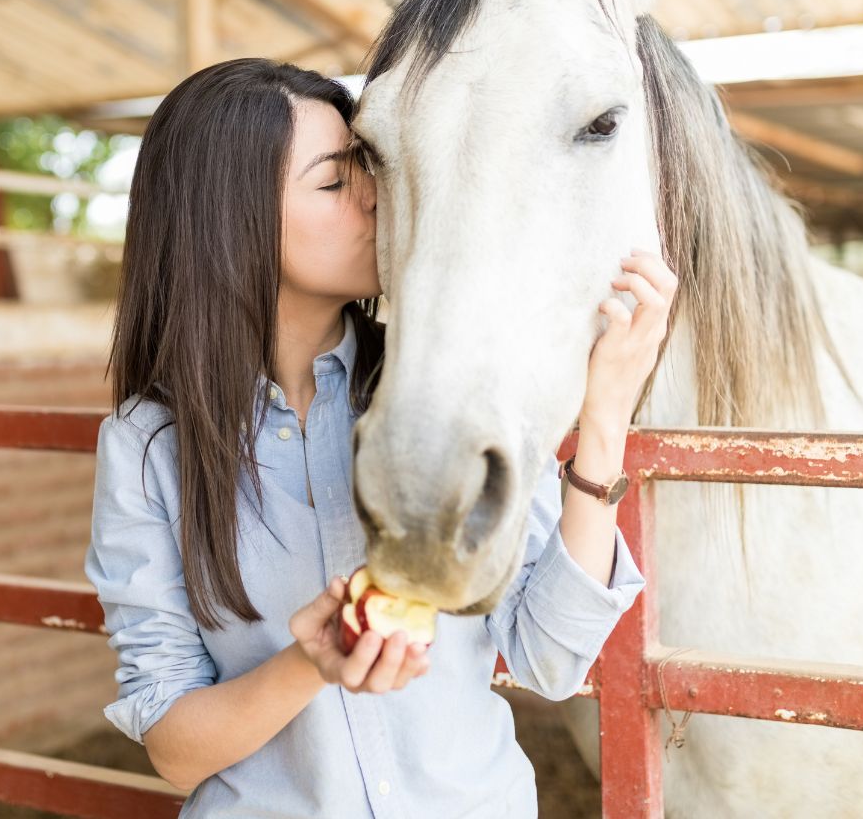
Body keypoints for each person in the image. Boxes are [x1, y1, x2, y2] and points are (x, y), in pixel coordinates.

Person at [84, 58, 675, 817]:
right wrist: (312, 662)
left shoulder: (441, 388)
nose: (376, 198)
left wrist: (605, 413)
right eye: (335, 184)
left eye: (366, 169)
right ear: (228, 223)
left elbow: (551, 655)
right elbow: (173, 750)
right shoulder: (147, 450)